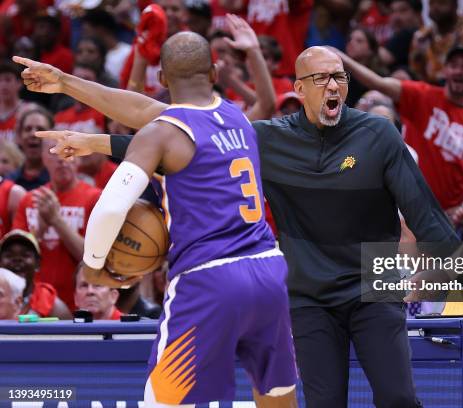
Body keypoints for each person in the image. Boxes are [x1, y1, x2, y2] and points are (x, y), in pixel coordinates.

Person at [33, 16, 299, 407]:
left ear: (161, 75)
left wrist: (93, 265)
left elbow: (110, 206)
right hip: (268, 272)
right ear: (212, 71)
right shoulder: (237, 118)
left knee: (163, 401)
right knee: (276, 398)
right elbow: (143, 109)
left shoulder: (162, 131)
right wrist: (69, 86)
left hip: (210, 279)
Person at [335, 45, 463, 221]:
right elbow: (378, 82)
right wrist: (341, 57)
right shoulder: (423, 96)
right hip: (407, 209)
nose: (459, 72)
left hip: (449, 220)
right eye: (453, 65)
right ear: (445, 70)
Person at [12, 136, 101, 310]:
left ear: (79, 157)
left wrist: (56, 221)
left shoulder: (95, 198)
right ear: (44, 158)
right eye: (54, 152)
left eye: (69, 151)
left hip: (82, 303)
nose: (62, 159)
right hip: (37, 305)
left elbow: (95, 259)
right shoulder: (29, 200)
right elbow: (15, 259)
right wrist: (39, 231)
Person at [0, 229, 71, 318]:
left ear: (38, 263)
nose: (17, 259)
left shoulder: (53, 306)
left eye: (25, 255)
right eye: (9, 255)